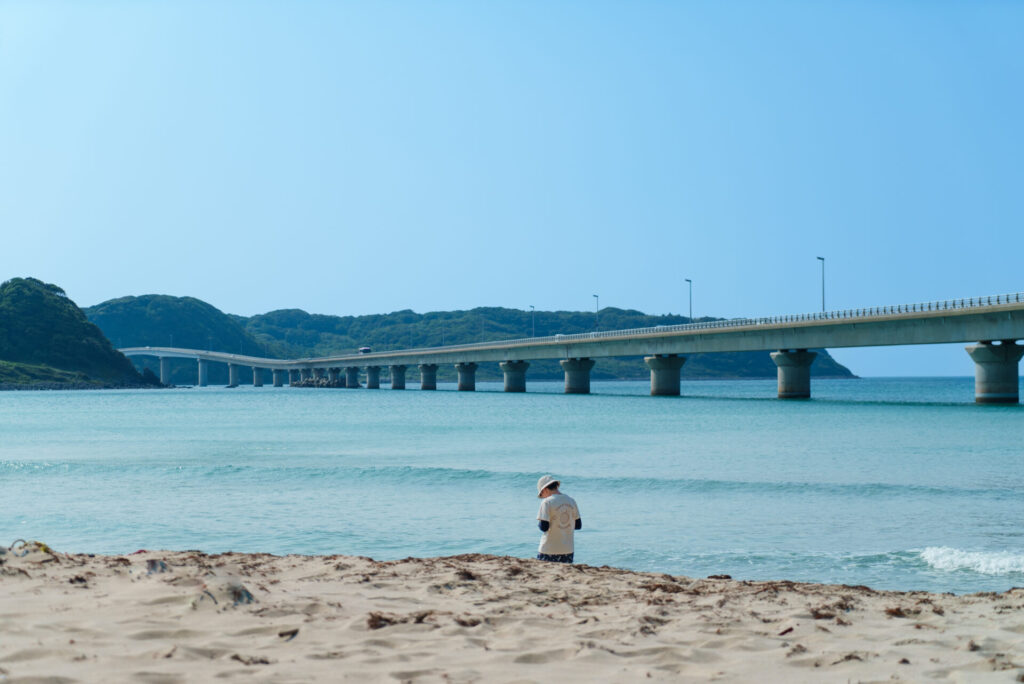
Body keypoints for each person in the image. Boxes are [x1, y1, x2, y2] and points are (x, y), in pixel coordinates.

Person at [535, 475, 581, 563]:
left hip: (549, 549)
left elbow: (543, 527)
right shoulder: (571, 501)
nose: (543, 497)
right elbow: (578, 525)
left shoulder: (547, 502)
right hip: (568, 549)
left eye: (541, 494)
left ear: (545, 489)